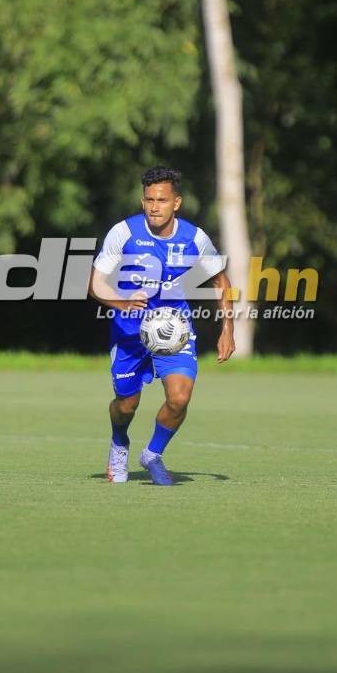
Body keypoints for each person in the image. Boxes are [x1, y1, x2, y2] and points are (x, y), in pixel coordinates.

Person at [89, 166, 235, 485]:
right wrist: (121, 303)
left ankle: (153, 453)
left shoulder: (194, 238)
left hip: (173, 328)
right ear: (143, 201)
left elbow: (220, 281)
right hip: (129, 331)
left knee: (180, 398)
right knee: (126, 405)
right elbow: (95, 283)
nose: (155, 207)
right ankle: (119, 442)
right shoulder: (123, 233)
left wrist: (228, 329)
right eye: (149, 200)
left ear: (176, 203)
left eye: (162, 200)